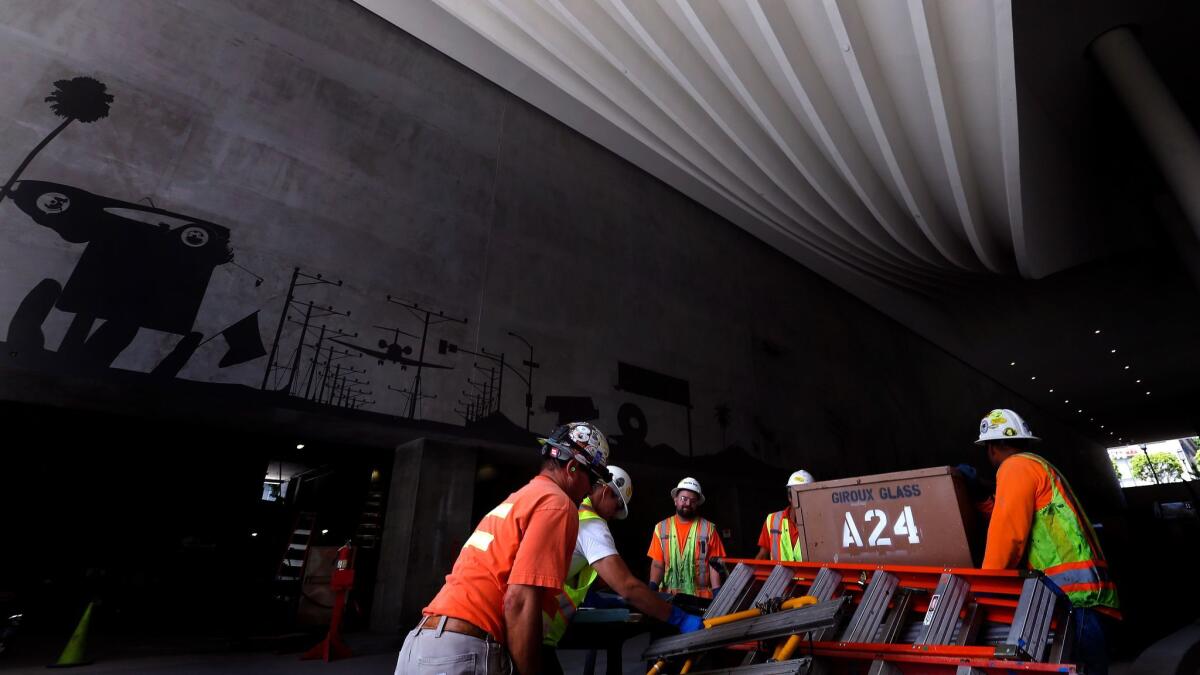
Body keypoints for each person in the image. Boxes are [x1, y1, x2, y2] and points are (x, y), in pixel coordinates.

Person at [395, 422, 611, 675]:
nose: (589, 492)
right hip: (464, 652)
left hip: (420, 646)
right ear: (573, 468)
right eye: (592, 479)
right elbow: (518, 601)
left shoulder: (519, 499)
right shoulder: (558, 504)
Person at [972, 408, 1119, 675]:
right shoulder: (1037, 466)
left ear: (992, 447)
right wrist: (983, 498)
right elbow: (1017, 516)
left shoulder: (1014, 468)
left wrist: (987, 587)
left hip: (1069, 594)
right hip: (1082, 591)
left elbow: (1009, 534)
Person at [541, 466, 703, 673]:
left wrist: (600, 596)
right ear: (606, 492)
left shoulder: (576, 515)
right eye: (617, 507)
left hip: (538, 621)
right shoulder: (593, 526)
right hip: (538, 624)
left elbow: (580, 574)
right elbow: (627, 586)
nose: (615, 515)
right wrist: (678, 617)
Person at [647, 477, 726, 598]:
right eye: (684, 499)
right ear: (675, 500)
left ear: (697, 504)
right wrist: (651, 589)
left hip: (701, 599)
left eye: (693, 501)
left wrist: (717, 592)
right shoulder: (661, 528)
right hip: (669, 598)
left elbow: (714, 565)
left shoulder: (709, 529)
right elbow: (658, 564)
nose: (688, 504)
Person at [755, 470, 814, 561]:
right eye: (797, 494)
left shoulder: (818, 524)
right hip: (778, 576)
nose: (800, 499)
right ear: (789, 497)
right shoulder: (772, 521)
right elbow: (762, 555)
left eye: (805, 494)